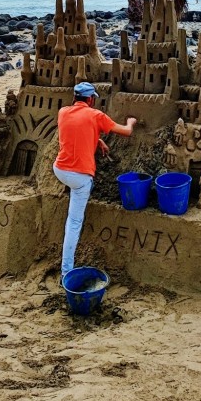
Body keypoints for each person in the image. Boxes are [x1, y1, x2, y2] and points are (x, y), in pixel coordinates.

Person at [54, 81, 137, 278]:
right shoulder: (95, 115)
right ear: (91, 99)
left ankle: (67, 268)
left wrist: (96, 140)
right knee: (73, 223)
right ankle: (66, 271)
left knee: (73, 187)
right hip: (80, 177)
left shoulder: (63, 112)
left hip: (59, 169)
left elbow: (75, 129)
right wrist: (131, 122)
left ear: (74, 98)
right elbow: (126, 132)